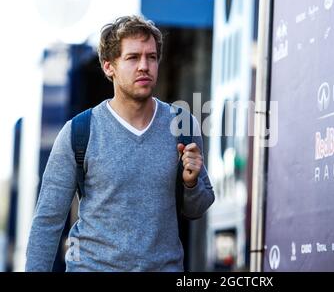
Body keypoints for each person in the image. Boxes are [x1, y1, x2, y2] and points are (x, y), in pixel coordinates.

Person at [25, 15, 215, 272]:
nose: (144, 66)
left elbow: (197, 209)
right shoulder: (80, 132)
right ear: (108, 67)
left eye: (151, 57)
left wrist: (191, 184)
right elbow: (48, 220)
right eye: (133, 57)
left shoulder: (183, 125)